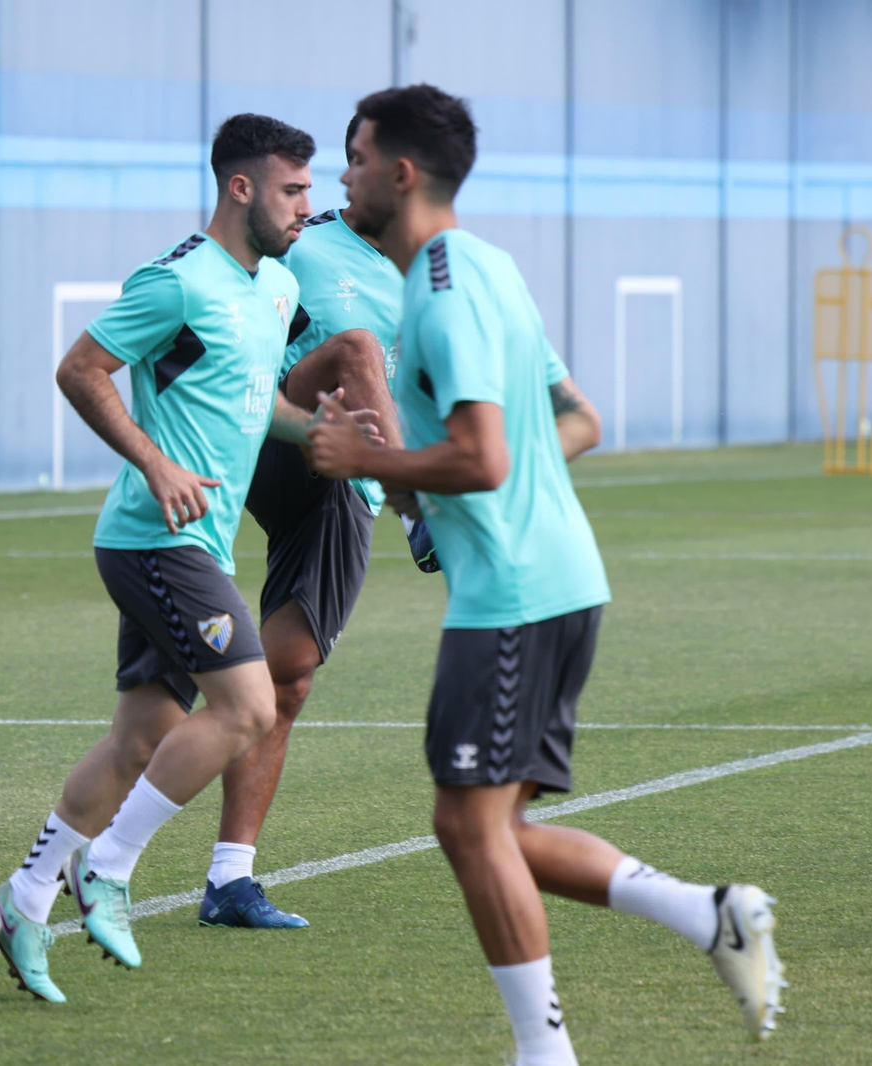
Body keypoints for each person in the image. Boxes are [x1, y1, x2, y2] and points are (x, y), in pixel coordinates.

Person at [307, 85, 785, 1063]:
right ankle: (711, 915)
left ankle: (546, 1052)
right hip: (549, 581)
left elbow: (483, 457)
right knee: (483, 826)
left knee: (470, 824)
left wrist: (376, 465)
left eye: (353, 156)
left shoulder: (439, 295)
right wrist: (467, 488)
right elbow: (577, 418)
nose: (341, 176)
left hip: (514, 599)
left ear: (398, 173)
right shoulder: (485, 266)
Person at [0, 114, 379, 1003]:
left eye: (310, 189)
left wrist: (316, 428)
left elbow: (252, 399)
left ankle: (25, 893)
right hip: (153, 538)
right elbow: (80, 369)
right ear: (242, 189)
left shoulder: (273, 289)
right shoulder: (177, 281)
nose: (308, 208)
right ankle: (108, 870)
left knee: (140, 737)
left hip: (194, 540)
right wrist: (154, 463)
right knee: (248, 707)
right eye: (292, 190)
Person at [200, 114, 441, 931]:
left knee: (283, 679)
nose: (341, 188)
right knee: (352, 348)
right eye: (361, 168)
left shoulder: (435, 273)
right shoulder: (300, 242)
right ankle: (420, 512)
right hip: (280, 430)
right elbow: (218, 279)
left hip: (347, 475)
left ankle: (229, 879)